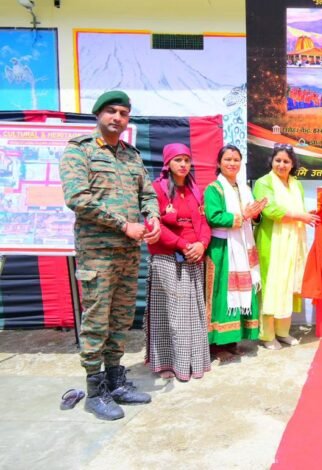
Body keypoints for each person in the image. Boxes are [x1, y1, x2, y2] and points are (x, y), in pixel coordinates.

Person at [60, 90, 161, 421]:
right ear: (98, 114)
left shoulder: (131, 155)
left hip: (129, 253)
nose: (118, 118)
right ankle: (95, 392)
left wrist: (153, 217)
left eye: (123, 113)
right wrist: (123, 225)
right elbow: (78, 198)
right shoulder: (80, 150)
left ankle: (116, 382)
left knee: (121, 319)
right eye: (111, 111)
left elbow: (147, 193)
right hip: (98, 252)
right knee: (96, 321)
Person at [145, 143, 211, 381]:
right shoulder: (156, 189)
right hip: (167, 256)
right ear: (167, 163)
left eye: (186, 160)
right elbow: (154, 225)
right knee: (169, 312)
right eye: (177, 160)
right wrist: (183, 244)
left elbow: (204, 223)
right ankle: (167, 363)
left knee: (193, 312)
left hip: (193, 256)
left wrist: (202, 244)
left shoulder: (196, 190)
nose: (183, 165)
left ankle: (194, 362)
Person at [252, 144, 318, 349]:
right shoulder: (263, 183)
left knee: (288, 284)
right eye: (278, 160)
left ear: (292, 164)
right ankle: (267, 335)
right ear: (271, 161)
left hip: (293, 241)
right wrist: (300, 216)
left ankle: (282, 332)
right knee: (272, 285)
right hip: (272, 242)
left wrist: (308, 214)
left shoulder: (296, 184)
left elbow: (299, 210)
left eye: (286, 161)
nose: (281, 165)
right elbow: (270, 210)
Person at [204, 145, 266, 361]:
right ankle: (216, 344)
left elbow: (252, 217)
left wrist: (256, 214)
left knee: (241, 292)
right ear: (219, 163)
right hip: (222, 248)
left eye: (236, 159)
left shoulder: (244, 188)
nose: (232, 163)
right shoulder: (214, 189)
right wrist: (244, 214)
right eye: (227, 159)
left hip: (242, 245)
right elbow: (214, 217)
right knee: (222, 294)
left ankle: (232, 340)